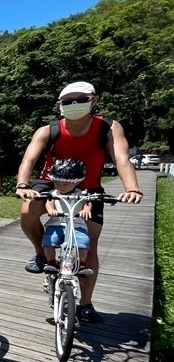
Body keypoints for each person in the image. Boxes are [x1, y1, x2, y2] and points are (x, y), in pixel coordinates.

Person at [15, 81, 143, 323]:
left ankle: (85, 304)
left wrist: (132, 188)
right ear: (59, 106)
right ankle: (41, 253)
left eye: (80, 100)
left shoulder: (107, 127)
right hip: (52, 181)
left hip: (89, 185)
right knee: (27, 210)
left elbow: (122, 158)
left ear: (94, 100)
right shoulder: (48, 131)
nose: (74, 105)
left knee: (90, 245)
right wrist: (23, 185)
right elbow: (28, 160)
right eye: (68, 102)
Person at [42, 159, 91, 270]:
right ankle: (51, 262)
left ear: (76, 182)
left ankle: (81, 263)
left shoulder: (81, 193)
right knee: (48, 241)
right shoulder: (54, 193)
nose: (61, 187)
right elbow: (49, 202)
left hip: (76, 225)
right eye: (57, 183)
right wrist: (51, 209)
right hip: (56, 223)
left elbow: (87, 202)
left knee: (83, 242)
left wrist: (86, 210)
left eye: (66, 184)